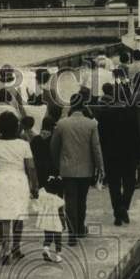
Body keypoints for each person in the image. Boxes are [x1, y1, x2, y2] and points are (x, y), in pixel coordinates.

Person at [49, 93, 103, 246]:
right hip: (86, 170)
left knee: (70, 201)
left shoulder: (61, 124)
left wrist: (58, 164)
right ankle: (80, 228)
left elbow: (54, 147)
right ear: (83, 105)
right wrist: (100, 168)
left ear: (71, 106)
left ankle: (72, 233)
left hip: (67, 169)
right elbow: (96, 148)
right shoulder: (91, 124)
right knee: (82, 200)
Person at [0, 111, 37, 264]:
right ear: (16, 127)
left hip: (0, 180)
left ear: (0, 128)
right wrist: (34, 184)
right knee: (18, 215)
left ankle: (6, 249)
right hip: (19, 180)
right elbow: (31, 167)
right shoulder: (24, 144)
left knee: (4, 217)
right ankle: (16, 247)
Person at [97, 84, 140, 225]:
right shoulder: (131, 113)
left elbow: (101, 138)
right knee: (130, 183)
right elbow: (136, 136)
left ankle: (118, 211)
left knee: (114, 185)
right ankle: (124, 206)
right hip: (129, 155)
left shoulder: (104, 114)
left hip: (111, 156)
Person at [35, 175, 65, 264]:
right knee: (58, 239)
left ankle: (46, 249)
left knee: (47, 238)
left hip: (45, 221)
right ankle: (58, 255)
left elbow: (36, 207)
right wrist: (63, 223)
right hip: (56, 222)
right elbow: (60, 213)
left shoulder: (42, 195)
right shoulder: (58, 200)